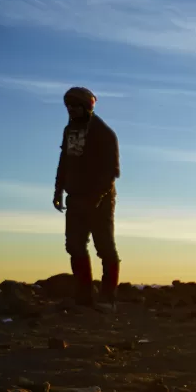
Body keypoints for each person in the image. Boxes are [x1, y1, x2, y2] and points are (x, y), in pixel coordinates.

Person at [53, 87, 120, 308]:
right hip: (75, 196)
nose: (71, 110)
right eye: (68, 106)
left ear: (87, 106)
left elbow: (112, 171)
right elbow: (65, 160)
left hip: (100, 199)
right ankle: (83, 296)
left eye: (75, 106)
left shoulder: (104, 133)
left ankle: (108, 297)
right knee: (74, 245)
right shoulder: (69, 130)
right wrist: (58, 190)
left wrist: (97, 196)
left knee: (105, 247)